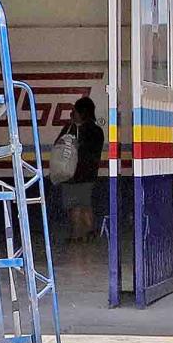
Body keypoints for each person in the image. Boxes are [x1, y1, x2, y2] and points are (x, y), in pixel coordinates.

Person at [56, 97, 105, 242]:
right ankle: (90, 233)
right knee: (85, 205)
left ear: (81, 112)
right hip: (90, 174)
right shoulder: (97, 131)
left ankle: (77, 236)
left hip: (74, 173)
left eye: (74, 111)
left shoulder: (73, 129)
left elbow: (59, 145)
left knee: (75, 206)